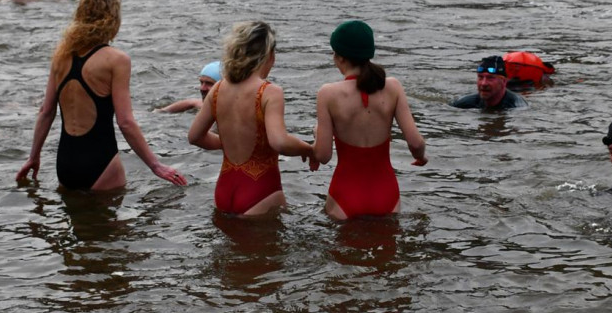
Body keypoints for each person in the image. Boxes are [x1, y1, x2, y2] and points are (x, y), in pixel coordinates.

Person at [17, 0, 186, 191]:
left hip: (65, 162)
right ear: (113, 19)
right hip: (101, 163)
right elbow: (125, 122)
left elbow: (45, 112)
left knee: (76, 219)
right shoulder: (117, 59)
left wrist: (33, 157)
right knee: (110, 219)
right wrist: (155, 165)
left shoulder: (61, 56)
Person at [188, 21, 315, 216]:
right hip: (260, 191)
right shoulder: (269, 92)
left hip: (224, 189)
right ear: (269, 55)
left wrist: (230, 143)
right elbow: (279, 141)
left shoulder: (218, 88)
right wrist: (308, 149)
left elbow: (195, 136)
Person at [313, 20, 427, 220]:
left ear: (339, 57)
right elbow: (415, 142)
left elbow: (323, 155)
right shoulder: (392, 87)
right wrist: (421, 156)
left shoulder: (328, 94)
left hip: (345, 194)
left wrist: (317, 134)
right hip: (386, 194)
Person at [450, 55, 527, 111]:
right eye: (480, 77)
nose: (483, 83)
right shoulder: (464, 103)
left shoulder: (517, 106)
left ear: (503, 81)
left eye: (490, 78)